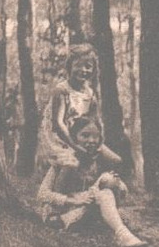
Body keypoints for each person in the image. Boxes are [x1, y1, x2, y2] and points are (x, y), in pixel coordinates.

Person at [36, 118, 146, 247]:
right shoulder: (64, 159)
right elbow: (42, 194)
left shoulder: (98, 160)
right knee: (105, 188)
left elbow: (118, 163)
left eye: (96, 137)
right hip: (61, 214)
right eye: (85, 135)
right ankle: (122, 233)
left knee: (108, 180)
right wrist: (72, 201)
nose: (91, 141)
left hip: (86, 207)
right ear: (74, 137)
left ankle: (123, 235)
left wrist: (117, 183)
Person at [38, 43, 124, 172]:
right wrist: (76, 147)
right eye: (78, 65)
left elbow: (94, 123)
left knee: (115, 161)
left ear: (94, 70)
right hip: (63, 140)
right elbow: (58, 124)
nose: (83, 70)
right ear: (69, 66)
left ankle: (96, 186)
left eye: (88, 67)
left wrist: (97, 144)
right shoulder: (62, 90)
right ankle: (62, 190)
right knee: (72, 165)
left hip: (83, 138)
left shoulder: (90, 94)